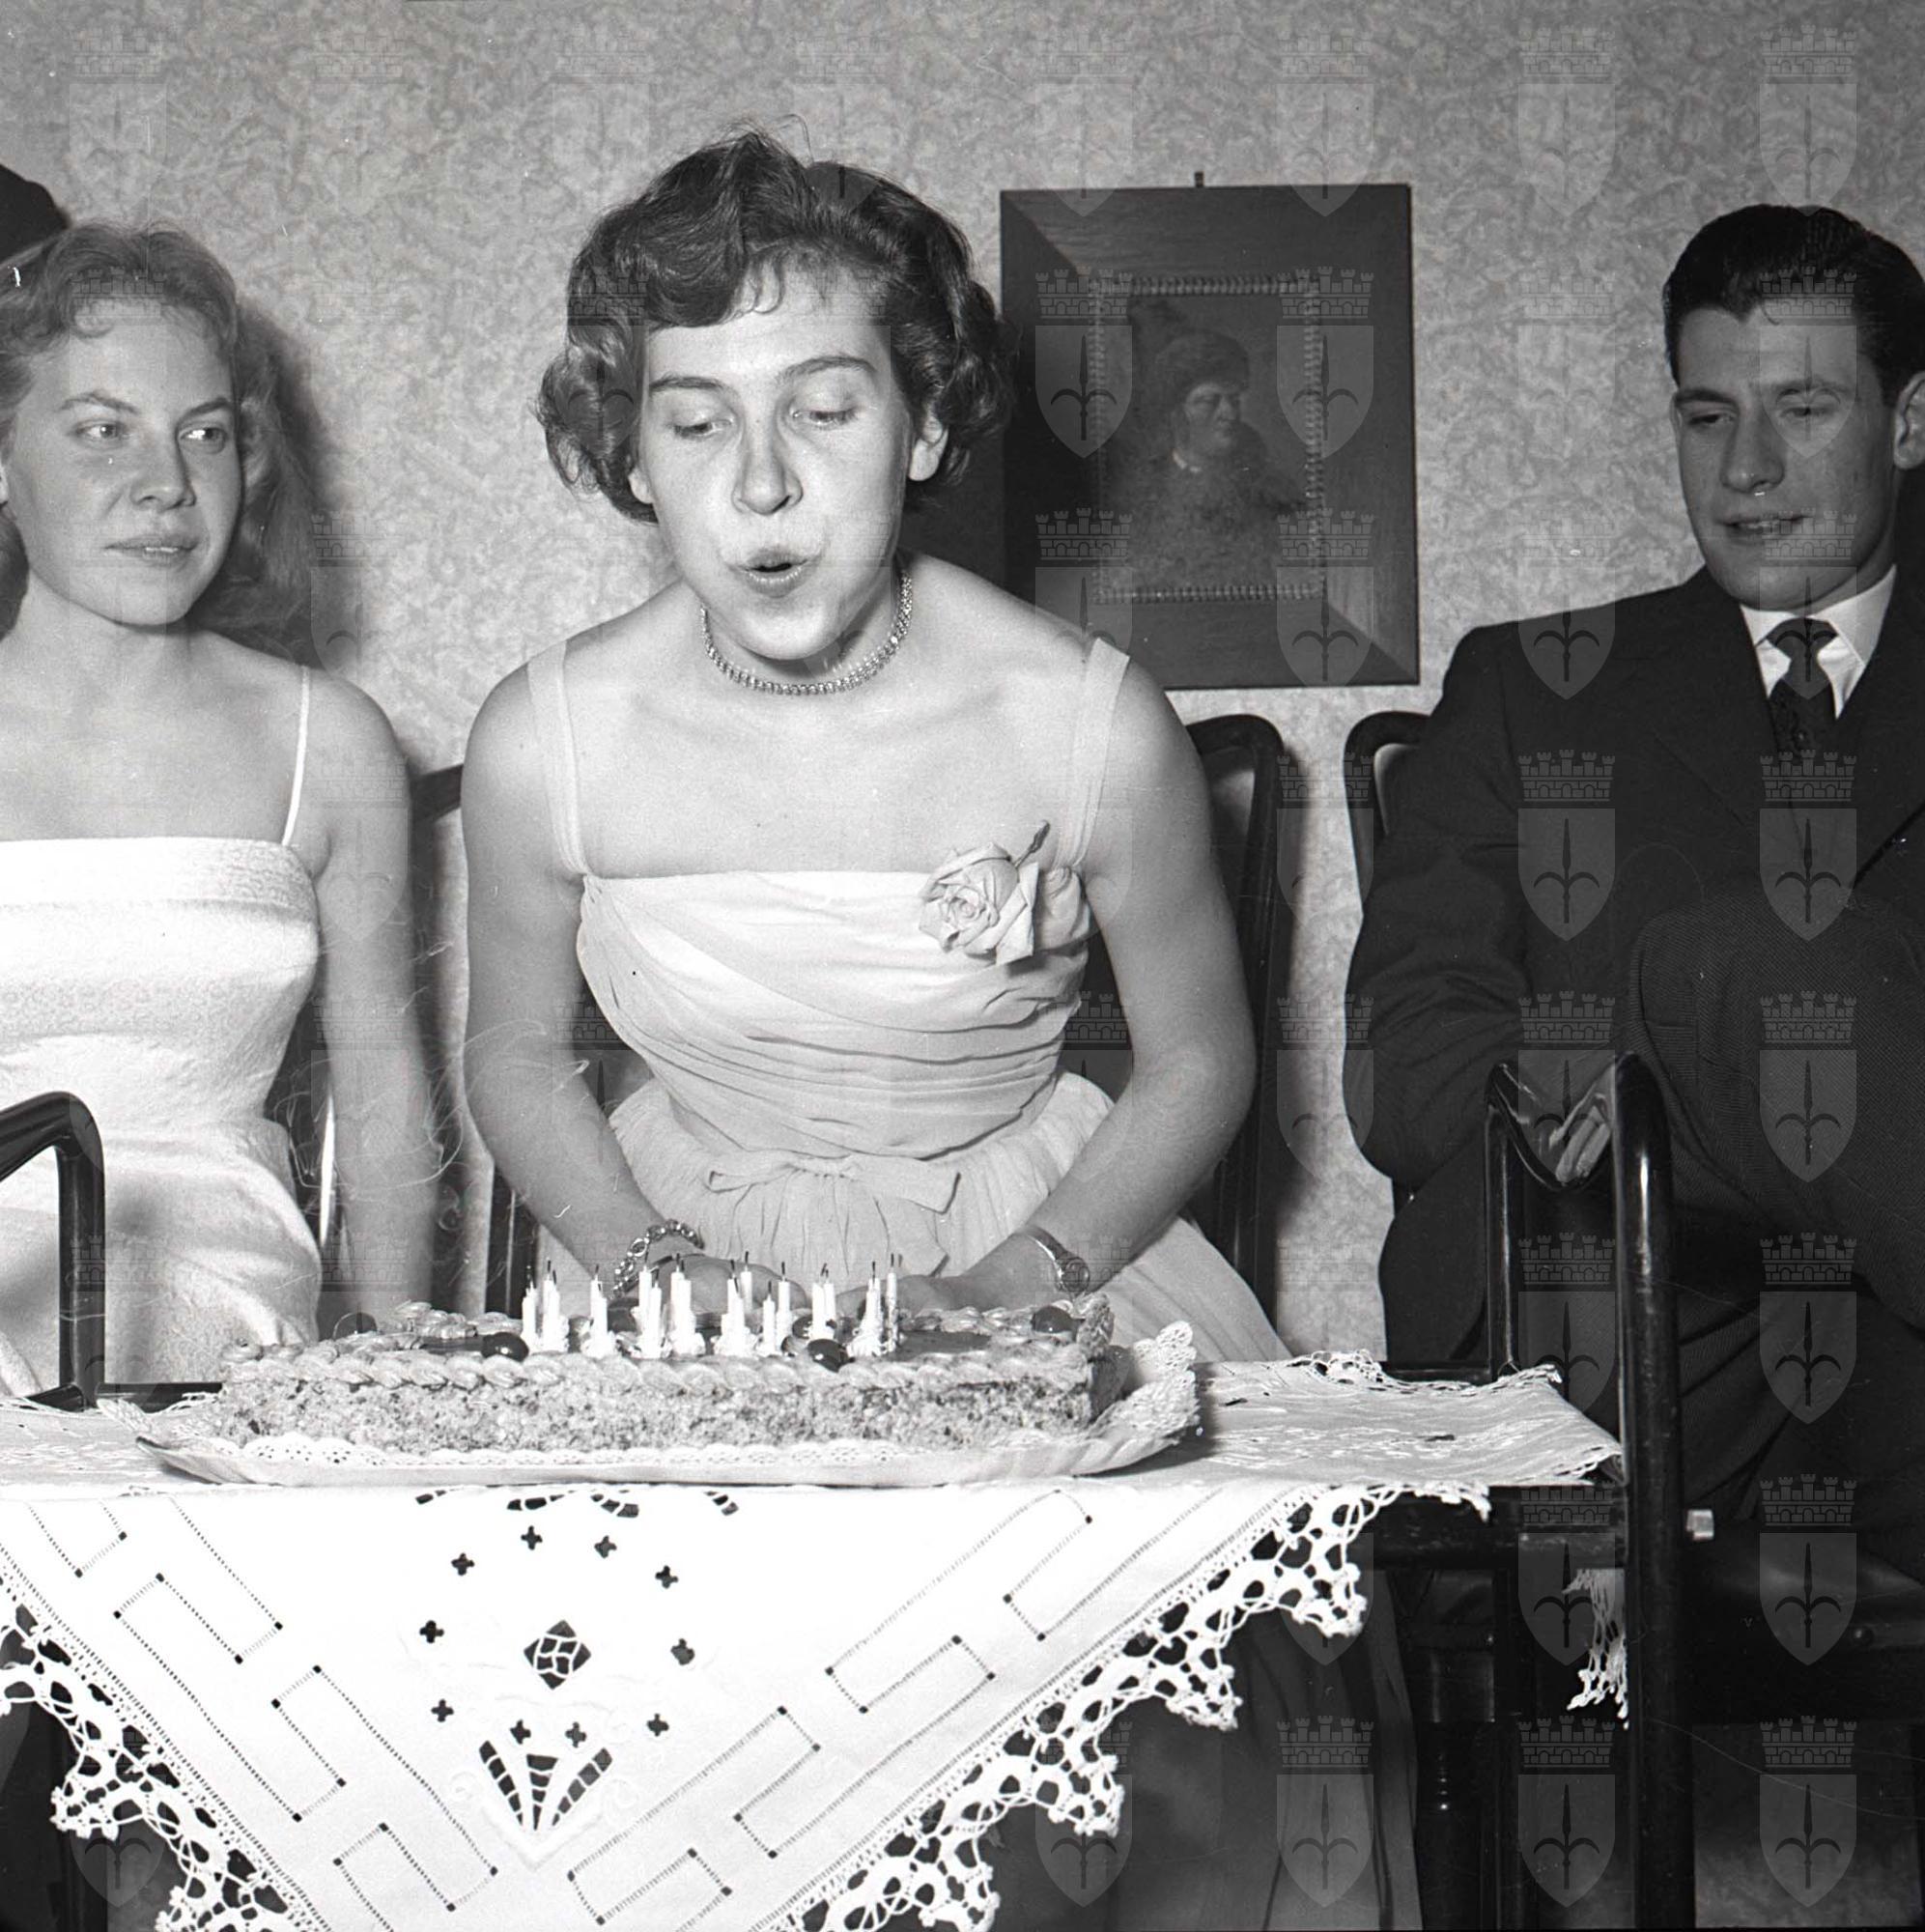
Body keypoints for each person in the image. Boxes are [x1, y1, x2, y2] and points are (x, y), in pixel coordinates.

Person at [463, 130, 1417, 1928]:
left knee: (1099, 1762)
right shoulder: (545, 740)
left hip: (1035, 1241)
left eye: (822, 410)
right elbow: (515, 1054)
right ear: (629, 456)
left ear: (918, 423)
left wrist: (1021, 1285)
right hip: (675, 1258)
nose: (760, 484)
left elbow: (1201, 1059)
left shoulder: (1084, 720)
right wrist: (651, 1262)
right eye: (693, 422)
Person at [1349, 203, 1925, 1576]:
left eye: (1802, 409)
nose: (1746, 468)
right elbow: (1408, 1072)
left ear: (1908, 422)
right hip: (1617, 1330)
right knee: (1764, 960)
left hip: (1897, 1357)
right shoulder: (1526, 688)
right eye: (1705, 416)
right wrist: (1674, 1073)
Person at [0, 214, 439, 1393]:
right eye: (103, 431)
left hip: (216, 1309)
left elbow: (384, 1091)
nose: (167, 485)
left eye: (205, 433)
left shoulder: (326, 743)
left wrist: (388, 1369)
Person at [1119, 327, 1306, 588]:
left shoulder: (1273, 493)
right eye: (1209, 401)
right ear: (1176, 413)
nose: (1229, 413)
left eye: (1234, 399)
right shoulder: (1138, 494)